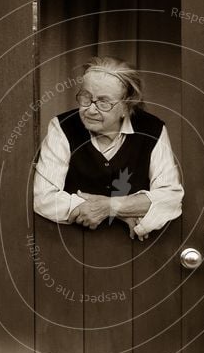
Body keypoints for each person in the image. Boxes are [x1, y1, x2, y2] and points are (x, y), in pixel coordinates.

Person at [33, 56, 183, 240]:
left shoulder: (152, 130)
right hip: (73, 246)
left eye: (104, 102)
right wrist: (122, 211)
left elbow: (171, 197)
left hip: (136, 251)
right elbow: (44, 197)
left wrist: (109, 207)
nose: (90, 109)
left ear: (126, 107)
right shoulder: (62, 127)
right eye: (86, 97)